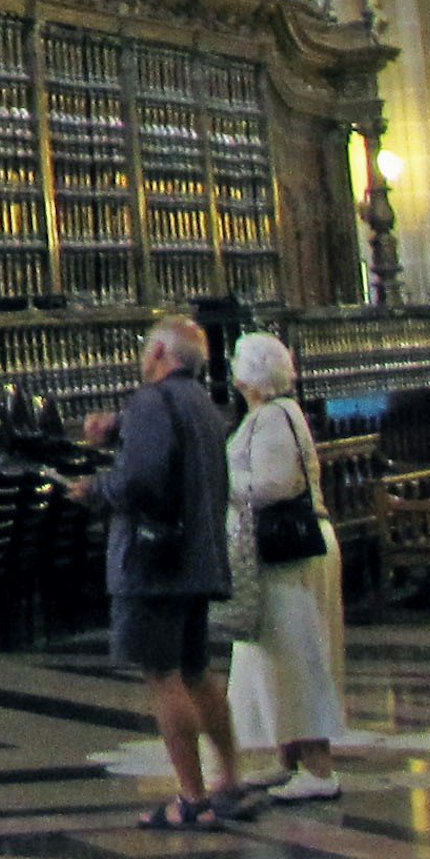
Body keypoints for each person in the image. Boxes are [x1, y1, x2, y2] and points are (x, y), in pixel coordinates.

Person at [72, 314, 250, 829]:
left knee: (162, 674)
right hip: (195, 559)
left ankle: (192, 798)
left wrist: (96, 490)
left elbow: (142, 479)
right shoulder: (202, 403)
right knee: (197, 670)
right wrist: (117, 428)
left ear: (157, 355)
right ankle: (230, 781)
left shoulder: (152, 401)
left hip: (155, 563)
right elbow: (170, 451)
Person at [224, 332, 347, 802]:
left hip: (289, 552)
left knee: (298, 656)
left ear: (252, 374)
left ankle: (318, 770)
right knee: (274, 657)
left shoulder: (274, 417)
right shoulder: (269, 414)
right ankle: (287, 758)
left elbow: (275, 485)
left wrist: (223, 482)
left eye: (238, 361)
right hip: (281, 553)